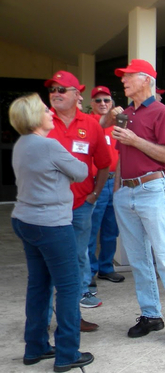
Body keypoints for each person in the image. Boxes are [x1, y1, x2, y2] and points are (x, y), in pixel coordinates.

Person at [9, 93, 94, 372]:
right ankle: (67, 353)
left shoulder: (21, 144)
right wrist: (65, 172)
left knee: (39, 284)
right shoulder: (49, 146)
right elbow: (82, 172)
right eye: (46, 110)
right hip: (51, 225)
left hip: (25, 220)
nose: (50, 112)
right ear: (35, 117)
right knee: (69, 288)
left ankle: (35, 347)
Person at [110, 59, 165, 347]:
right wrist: (118, 190)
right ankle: (151, 315)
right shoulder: (126, 113)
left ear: (146, 80)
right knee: (139, 259)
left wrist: (135, 140)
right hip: (127, 193)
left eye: (128, 76)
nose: (124, 81)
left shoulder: (162, 111)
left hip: (153, 189)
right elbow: (121, 156)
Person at [46, 71, 111, 310]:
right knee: (52, 255)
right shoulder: (42, 121)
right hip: (49, 205)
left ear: (76, 95)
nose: (55, 94)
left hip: (81, 203)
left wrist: (94, 195)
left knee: (79, 252)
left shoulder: (91, 124)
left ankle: (80, 295)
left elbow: (104, 165)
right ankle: (57, 300)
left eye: (61, 90)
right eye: (52, 90)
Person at [87, 86, 125, 286]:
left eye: (106, 100)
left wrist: (119, 183)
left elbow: (120, 156)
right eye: (98, 100)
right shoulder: (90, 123)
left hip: (114, 182)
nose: (103, 104)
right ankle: (90, 270)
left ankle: (106, 268)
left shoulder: (117, 126)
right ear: (92, 104)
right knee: (92, 229)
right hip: (96, 183)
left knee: (111, 229)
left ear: (112, 103)